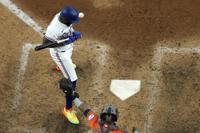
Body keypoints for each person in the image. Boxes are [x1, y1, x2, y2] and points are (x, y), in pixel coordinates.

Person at [43, 6, 83, 124]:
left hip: (66, 49)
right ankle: (68, 109)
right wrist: (71, 39)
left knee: (69, 57)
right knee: (72, 81)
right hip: (60, 54)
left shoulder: (62, 16)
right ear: (66, 20)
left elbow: (68, 25)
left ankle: (62, 66)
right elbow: (47, 44)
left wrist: (76, 17)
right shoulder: (54, 30)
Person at [59, 78, 139, 133]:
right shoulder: (117, 131)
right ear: (115, 118)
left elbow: (84, 108)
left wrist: (72, 95)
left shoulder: (95, 122)